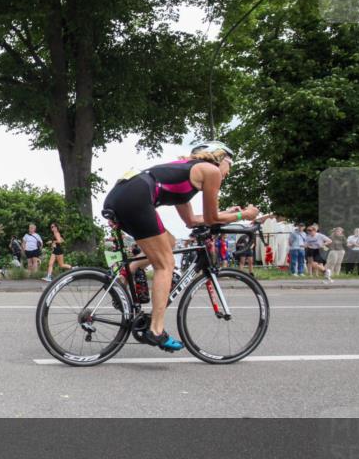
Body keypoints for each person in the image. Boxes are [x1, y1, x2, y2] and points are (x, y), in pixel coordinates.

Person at [101, 141, 259, 352]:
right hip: (137, 196)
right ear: (220, 158)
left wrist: (227, 213)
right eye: (230, 165)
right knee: (165, 265)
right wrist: (243, 215)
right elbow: (212, 218)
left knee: (170, 242)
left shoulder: (184, 173)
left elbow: (193, 220)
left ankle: (124, 273)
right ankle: (156, 330)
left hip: (122, 194)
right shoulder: (211, 171)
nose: (228, 172)